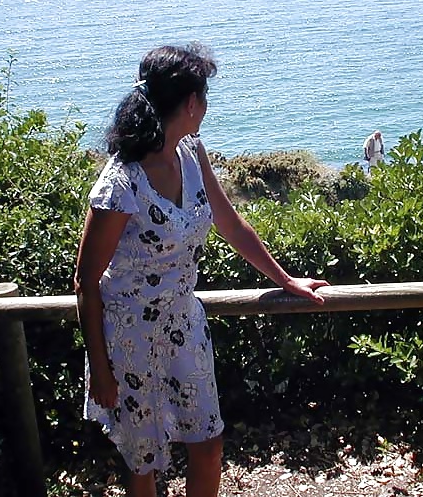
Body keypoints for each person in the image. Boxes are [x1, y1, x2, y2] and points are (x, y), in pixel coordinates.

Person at [73, 42, 330, 497]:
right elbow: (85, 280)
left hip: (183, 323)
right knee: (143, 462)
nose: (207, 106)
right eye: (205, 96)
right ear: (191, 102)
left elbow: (230, 222)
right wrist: (100, 366)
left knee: (208, 443)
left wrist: (286, 279)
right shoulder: (121, 183)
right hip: (128, 335)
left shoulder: (191, 151)